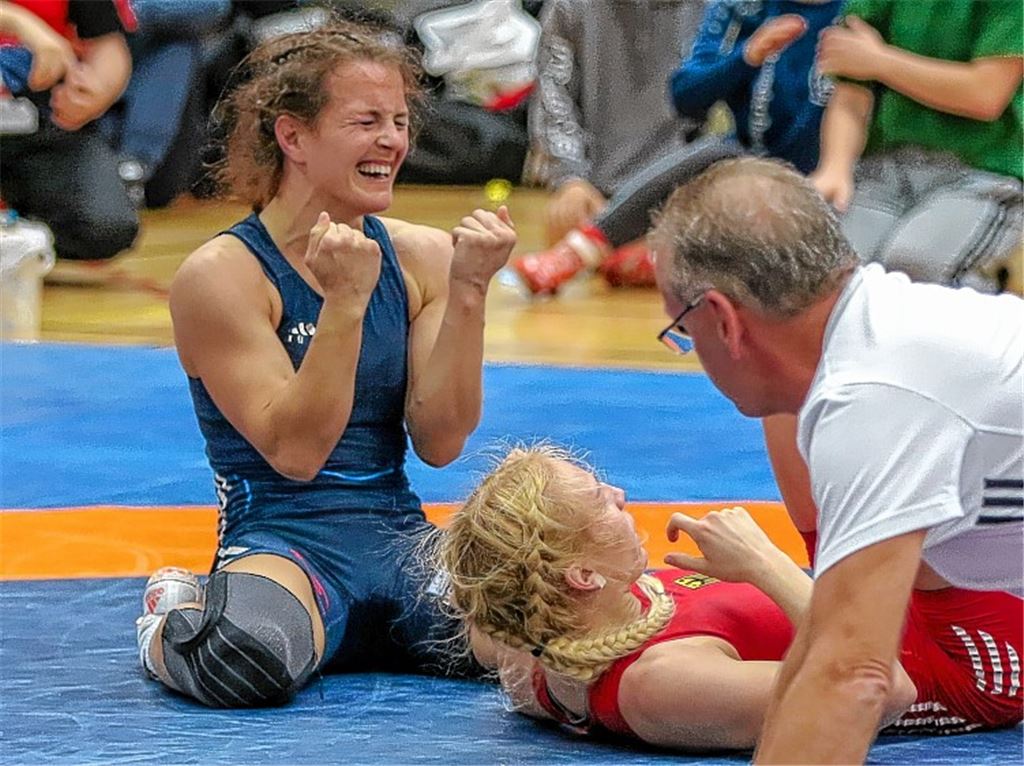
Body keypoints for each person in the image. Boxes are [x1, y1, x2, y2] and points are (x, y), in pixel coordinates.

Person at [134, 18, 517, 707]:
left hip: (400, 543)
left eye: (400, 122)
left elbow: (441, 441)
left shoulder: (423, 257)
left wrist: (468, 291)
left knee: (550, 641)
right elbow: (297, 453)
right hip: (284, 543)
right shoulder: (224, 275)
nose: (392, 141)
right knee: (240, 662)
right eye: (366, 122)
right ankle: (178, 613)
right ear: (294, 137)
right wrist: (344, 304)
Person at [649, 156, 1024, 762]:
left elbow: (852, 676)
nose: (690, 350)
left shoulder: (873, 397)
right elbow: (827, 650)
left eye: (683, 333)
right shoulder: (874, 340)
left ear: (723, 320)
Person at [436, 445, 1022, 751]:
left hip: (875, 601)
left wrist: (502, 511)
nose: (619, 494)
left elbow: (484, 608)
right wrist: (764, 563)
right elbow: (885, 689)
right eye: (598, 500)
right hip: (962, 660)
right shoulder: (658, 683)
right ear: (584, 575)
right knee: (928, 472)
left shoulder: (536, 635)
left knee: (793, 411)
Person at [513, 0, 843, 295]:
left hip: (722, 190)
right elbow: (686, 94)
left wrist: (835, 167)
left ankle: (671, 255)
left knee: (727, 170)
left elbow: (851, 105)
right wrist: (569, 178)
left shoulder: (851, 12)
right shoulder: (571, 8)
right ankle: (589, 247)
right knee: (720, 154)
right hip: (612, 194)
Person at [812, 0, 1023, 292]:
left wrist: (879, 61)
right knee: (834, 272)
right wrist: (835, 167)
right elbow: (850, 94)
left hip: (985, 175)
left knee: (915, 266)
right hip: (886, 169)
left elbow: (985, 94)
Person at [512, 0, 705, 293]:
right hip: (598, 195)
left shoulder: (716, 8)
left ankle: (604, 249)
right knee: (568, 213)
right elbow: (554, 101)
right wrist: (570, 179)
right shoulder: (569, 7)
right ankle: (601, 245)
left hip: (688, 191)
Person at [0, 0, 138, 262]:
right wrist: (19, 22)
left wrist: (96, 91)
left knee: (106, 227)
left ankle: (23, 241)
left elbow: (108, 43)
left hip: (43, 123)